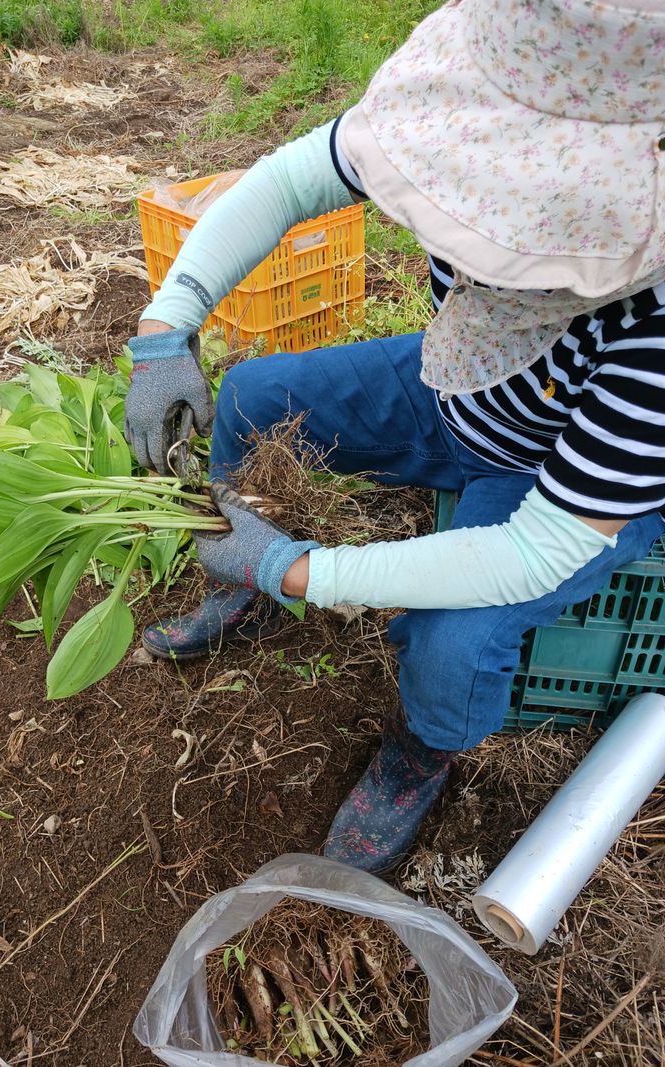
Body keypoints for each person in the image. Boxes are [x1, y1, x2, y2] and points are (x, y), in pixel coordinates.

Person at [123, 0, 665, 875]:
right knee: (256, 394)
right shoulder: (475, 101)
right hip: (448, 384)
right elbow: (292, 182)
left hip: (554, 477)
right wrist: (167, 322)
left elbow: (535, 550)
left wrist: (307, 569)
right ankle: (241, 588)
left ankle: (421, 750)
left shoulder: (654, 332)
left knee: (452, 642)